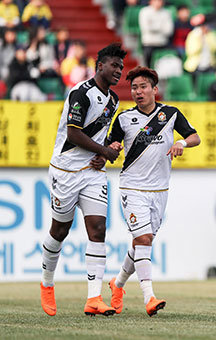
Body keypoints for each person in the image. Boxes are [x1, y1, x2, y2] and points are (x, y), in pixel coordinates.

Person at [40, 43, 127, 317]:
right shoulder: (80, 93)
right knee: (60, 231)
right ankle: (47, 283)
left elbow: (99, 136)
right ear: (99, 66)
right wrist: (103, 151)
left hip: (92, 173)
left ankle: (94, 299)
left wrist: (103, 154)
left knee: (98, 229)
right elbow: (74, 134)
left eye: (121, 68)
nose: (119, 71)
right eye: (114, 66)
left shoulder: (113, 101)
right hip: (65, 171)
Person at [107, 66, 200, 316]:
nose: (138, 92)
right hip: (132, 187)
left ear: (154, 90)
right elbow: (109, 147)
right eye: (134, 88)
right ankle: (149, 297)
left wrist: (181, 142)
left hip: (160, 190)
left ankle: (117, 284)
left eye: (143, 87)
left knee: (140, 243)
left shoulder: (170, 114)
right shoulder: (124, 119)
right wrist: (113, 146)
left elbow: (195, 137)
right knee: (145, 240)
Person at [139, 0, 173, 67]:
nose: (158, 2)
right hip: (148, 43)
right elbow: (146, 28)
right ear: (151, 1)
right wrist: (161, 27)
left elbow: (169, 31)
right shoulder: (144, 11)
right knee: (147, 66)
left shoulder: (166, 13)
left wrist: (153, 26)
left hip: (163, 43)